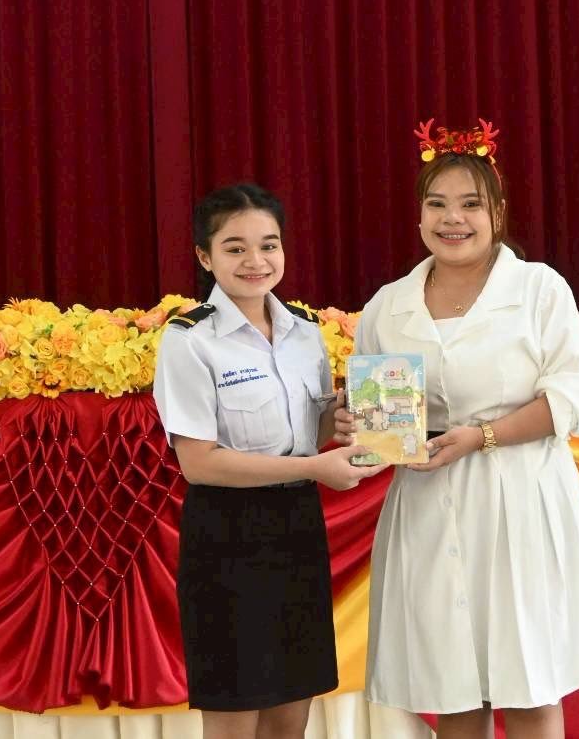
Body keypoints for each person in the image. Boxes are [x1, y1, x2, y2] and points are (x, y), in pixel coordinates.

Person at [339, 120, 579, 738]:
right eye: (437, 204)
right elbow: (381, 417)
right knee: (452, 691)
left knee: (528, 688)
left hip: (521, 500)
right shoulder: (389, 304)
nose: (453, 219)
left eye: (470, 204)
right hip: (427, 505)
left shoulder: (538, 289)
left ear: (497, 211)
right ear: (419, 214)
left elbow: (573, 396)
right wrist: (358, 424)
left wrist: (482, 437)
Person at [153, 183, 384, 739]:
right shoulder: (189, 340)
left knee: (290, 710)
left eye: (269, 244)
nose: (255, 260)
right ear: (204, 257)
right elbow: (200, 463)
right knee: (235, 710)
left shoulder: (304, 331)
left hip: (298, 528)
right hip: (226, 535)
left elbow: (307, 431)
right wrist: (315, 468)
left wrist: (343, 422)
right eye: (234, 248)